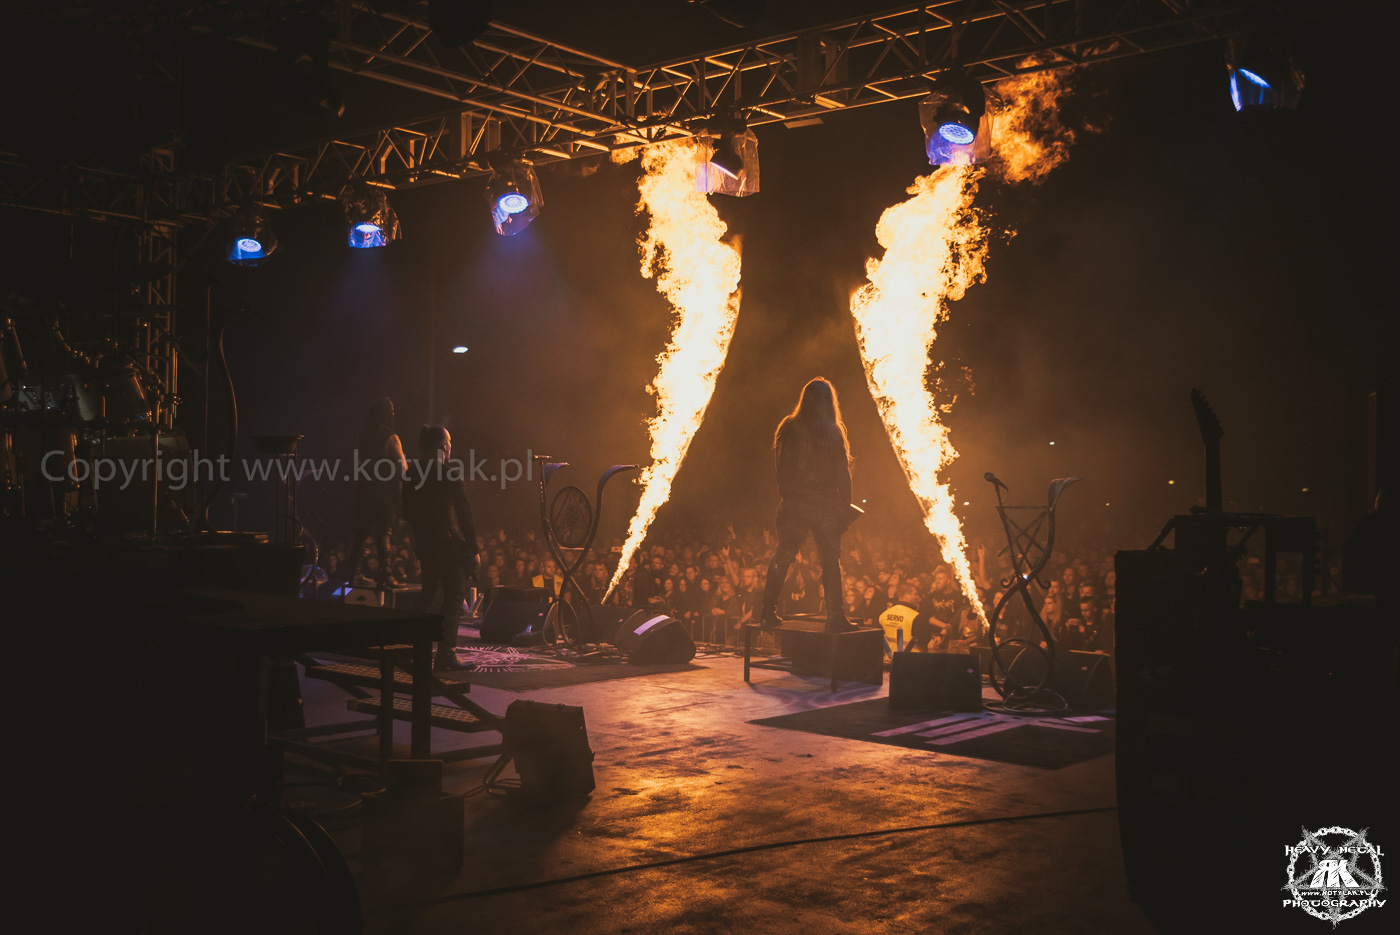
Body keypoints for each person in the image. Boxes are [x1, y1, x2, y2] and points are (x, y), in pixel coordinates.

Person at [759, 377, 855, 633]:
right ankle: (835, 617)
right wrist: (845, 507)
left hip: (796, 504)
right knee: (830, 561)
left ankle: (767, 612)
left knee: (783, 556)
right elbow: (842, 473)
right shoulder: (832, 431)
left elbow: (781, 471)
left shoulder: (789, 427)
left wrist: (789, 498)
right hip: (824, 505)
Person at [402, 425, 478, 670]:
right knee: (454, 595)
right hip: (447, 545)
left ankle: (407, 647)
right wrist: (474, 548)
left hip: (425, 543)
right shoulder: (449, 474)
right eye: (450, 441)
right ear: (444, 445)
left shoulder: (412, 473)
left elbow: (406, 511)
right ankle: (446, 654)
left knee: (429, 594)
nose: (451, 445)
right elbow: (464, 514)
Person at [348, 397, 407, 587]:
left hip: (365, 491)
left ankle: (354, 573)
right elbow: (403, 468)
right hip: (384, 493)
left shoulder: (361, 437)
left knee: (361, 534)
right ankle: (385, 574)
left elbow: (355, 466)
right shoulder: (391, 438)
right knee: (384, 533)